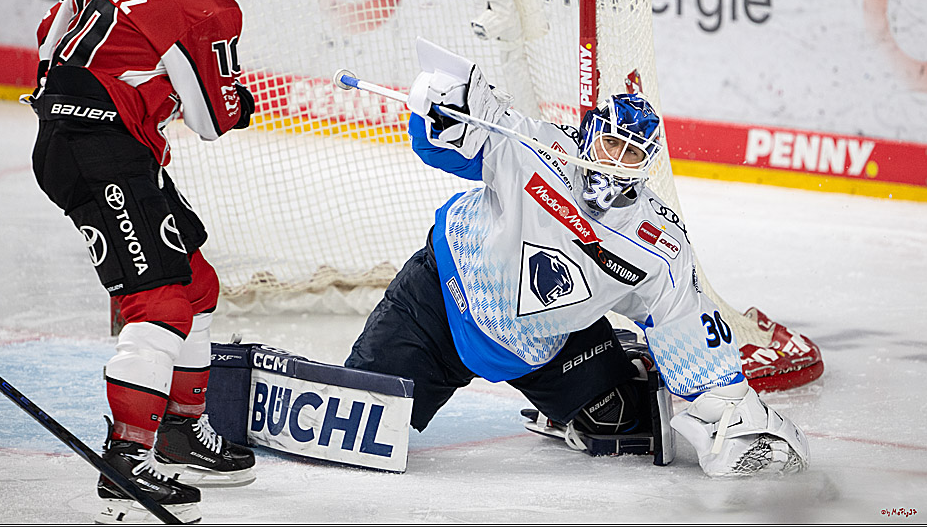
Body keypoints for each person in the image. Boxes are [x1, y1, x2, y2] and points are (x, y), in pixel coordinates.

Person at [345, 38, 810, 477]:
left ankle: (614, 366)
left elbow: (685, 318)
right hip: (443, 300)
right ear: (590, 135)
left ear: (646, 166)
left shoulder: (657, 243)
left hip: (545, 341)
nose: (616, 161)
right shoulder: (534, 146)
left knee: (626, 424)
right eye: (611, 143)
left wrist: (729, 407)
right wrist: (439, 108)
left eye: (632, 154)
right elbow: (444, 146)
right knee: (361, 421)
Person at [25, 0, 256, 524]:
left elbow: (48, 38)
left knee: (197, 283)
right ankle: (126, 461)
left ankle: (181, 430)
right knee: (159, 301)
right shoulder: (208, 6)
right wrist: (240, 105)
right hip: (102, 155)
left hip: (82, 141)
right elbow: (213, 121)